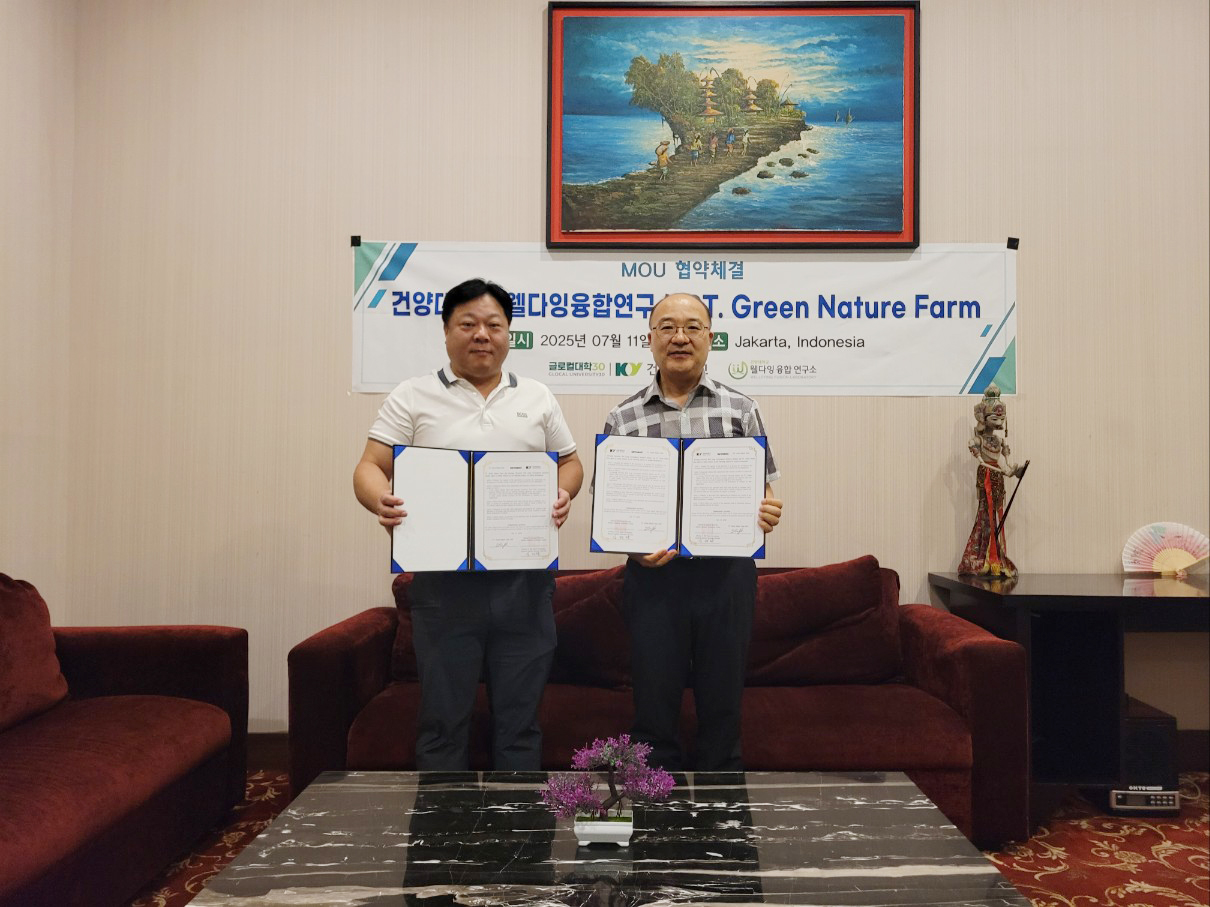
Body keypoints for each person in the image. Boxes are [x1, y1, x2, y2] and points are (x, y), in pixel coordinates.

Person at [354, 277, 584, 770]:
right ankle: (443, 822)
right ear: (446, 331)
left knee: (520, 726)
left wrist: (563, 492)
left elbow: (570, 463)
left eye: (494, 325)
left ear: (509, 334)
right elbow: (369, 467)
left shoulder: (537, 396)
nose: (482, 334)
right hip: (444, 587)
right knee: (442, 724)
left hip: (524, 585)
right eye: (468, 324)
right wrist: (381, 500)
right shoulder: (412, 395)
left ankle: (517, 821)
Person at [600, 293, 783, 772]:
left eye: (692, 327)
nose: (679, 337)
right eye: (667, 327)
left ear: (710, 337)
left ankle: (723, 815)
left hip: (726, 579)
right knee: (653, 711)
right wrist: (633, 549)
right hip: (652, 579)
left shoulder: (741, 409)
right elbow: (610, 505)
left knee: (723, 711)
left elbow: (762, 489)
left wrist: (766, 512)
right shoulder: (623, 417)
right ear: (650, 339)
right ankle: (653, 813)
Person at [958, 384, 1024, 578]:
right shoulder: (978, 440)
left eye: (1001, 419)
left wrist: (1012, 471)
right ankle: (984, 556)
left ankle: (995, 557)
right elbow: (981, 461)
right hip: (986, 475)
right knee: (985, 514)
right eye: (995, 418)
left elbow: (1006, 463)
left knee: (996, 513)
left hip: (997, 476)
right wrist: (1002, 470)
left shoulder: (999, 441)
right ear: (983, 418)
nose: (999, 422)